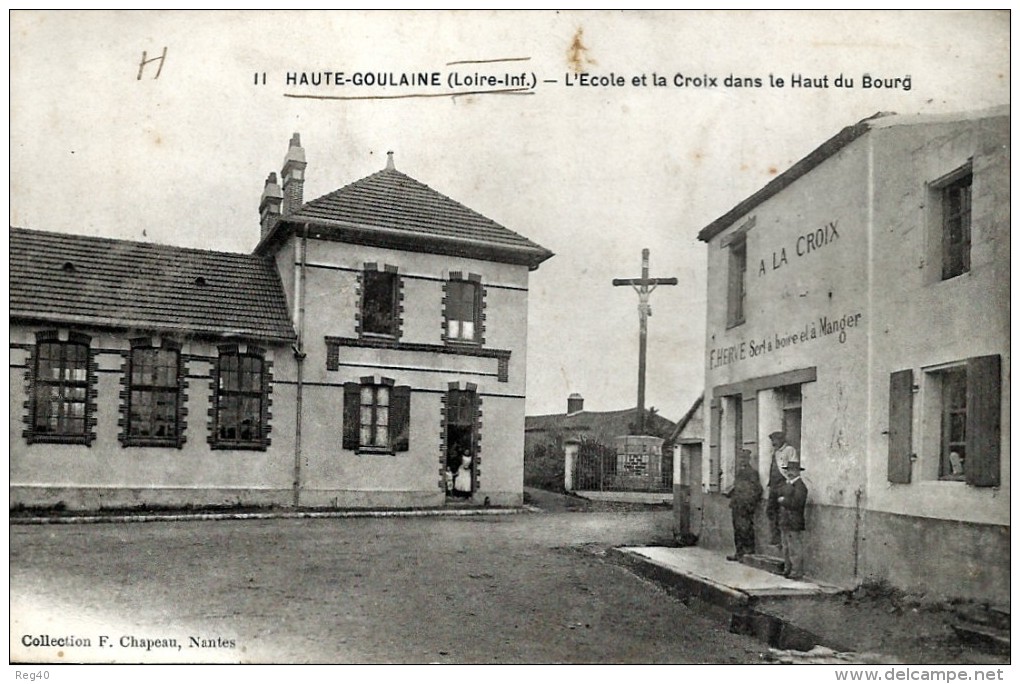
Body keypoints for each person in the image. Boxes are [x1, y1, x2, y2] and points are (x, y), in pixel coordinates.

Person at [726, 449, 763, 561]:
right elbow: (738, 487)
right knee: (737, 530)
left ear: (748, 460)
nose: (742, 461)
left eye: (744, 458)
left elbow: (757, 489)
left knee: (746, 529)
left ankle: (748, 554)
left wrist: (750, 503)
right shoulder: (739, 472)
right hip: (737, 505)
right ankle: (739, 552)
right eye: (741, 458)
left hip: (745, 506)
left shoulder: (752, 473)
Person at [766, 430, 798, 546]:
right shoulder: (775, 452)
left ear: (781, 440)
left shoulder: (789, 450)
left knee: (782, 512)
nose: (773, 443)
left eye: (775, 440)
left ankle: (782, 540)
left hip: (783, 484)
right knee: (770, 510)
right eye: (772, 441)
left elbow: (793, 467)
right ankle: (775, 537)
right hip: (774, 486)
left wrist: (790, 483)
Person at [778, 460, 808, 580]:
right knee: (786, 546)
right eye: (788, 470)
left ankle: (797, 571)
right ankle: (787, 569)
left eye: (792, 470)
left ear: (797, 472)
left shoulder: (800, 486)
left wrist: (783, 500)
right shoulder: (787, 484)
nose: (790, 473)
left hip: (794, 520)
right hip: (785, 520)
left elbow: (797, 503)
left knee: (794, 547)